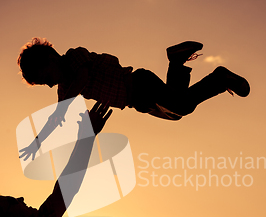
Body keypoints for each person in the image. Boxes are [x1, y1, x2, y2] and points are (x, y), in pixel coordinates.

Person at [17, 38, 250, 161]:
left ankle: (215, 76)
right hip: (137, 101)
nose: (48, 84)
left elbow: (83, 75)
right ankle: (179, 62)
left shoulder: (73, 57)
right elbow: (58, 116)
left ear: (50, 59)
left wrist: (64, 104)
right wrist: (39, 140)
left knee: (181, 105)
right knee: (179, 109)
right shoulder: (65, 89)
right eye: (43, 84)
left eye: (45, 77)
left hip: (139, 83)